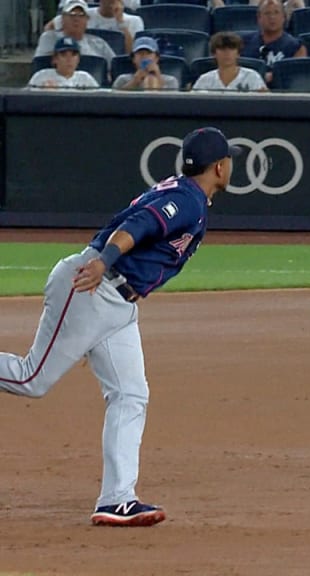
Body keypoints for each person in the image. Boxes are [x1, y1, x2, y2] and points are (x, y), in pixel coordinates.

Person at [0, 127, 240, 526]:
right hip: (93, 285)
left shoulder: (184, 192)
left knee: (131, 394)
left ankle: (117, 499)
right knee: (32, 379)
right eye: (229, 159)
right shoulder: (187, 200)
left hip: (117, 305)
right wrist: (104, 261)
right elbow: (139, 226)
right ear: (219, 166)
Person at [240, 0, 307, 85]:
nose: (272, 17)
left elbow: (297, 77)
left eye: (276, 12)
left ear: (284, 17)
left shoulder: (296, 46)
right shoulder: (243, 42)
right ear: (259, 18)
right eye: (267, 13)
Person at [35, 0, 117, 67]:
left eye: (81, 15)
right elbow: (40, 65)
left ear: (87, 19)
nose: (76, 19)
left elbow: (115, 66)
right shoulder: (49, 38)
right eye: (72, 14)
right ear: (62, 18)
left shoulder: (99, 43)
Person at [45, 0, 144, 55]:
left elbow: (131, 53)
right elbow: (50, 26)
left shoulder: (135, 20)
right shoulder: (83, 14)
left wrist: (121, 22)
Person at [191, 31, 269, 92]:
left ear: (238, 53)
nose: (227, 53)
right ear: (214, 53)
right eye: (222, 49)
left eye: (231, 49)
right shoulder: (205, 79)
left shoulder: (252, 77)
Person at [26, 36, 100, 90]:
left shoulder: (85, 78)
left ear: (78, 60)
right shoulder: (41, 76)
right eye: (64, 55)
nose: (69, 59)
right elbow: (27, 99)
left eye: (73, 55)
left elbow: (98, 100)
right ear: (55, 59)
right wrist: (44, 94)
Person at [112, 36, 180, 91]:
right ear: (133, 59)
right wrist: (135, 81)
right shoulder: (123, 79)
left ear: (156, 58)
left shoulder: (171, 80)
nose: (144, 56)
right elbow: (114, 100)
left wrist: (158, 76)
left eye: (148, 53)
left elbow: (172, 102)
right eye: (140, 53)